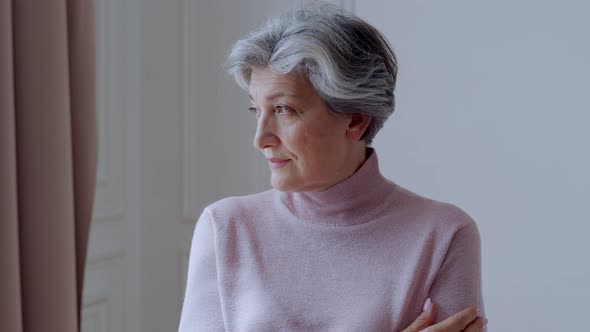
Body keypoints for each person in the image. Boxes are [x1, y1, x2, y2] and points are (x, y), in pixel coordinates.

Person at [179, 3, 487, 331]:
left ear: (355, 120)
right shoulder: (226, 226)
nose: (261, 138)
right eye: (257, 110)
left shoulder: (444, 234)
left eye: (283, 109)